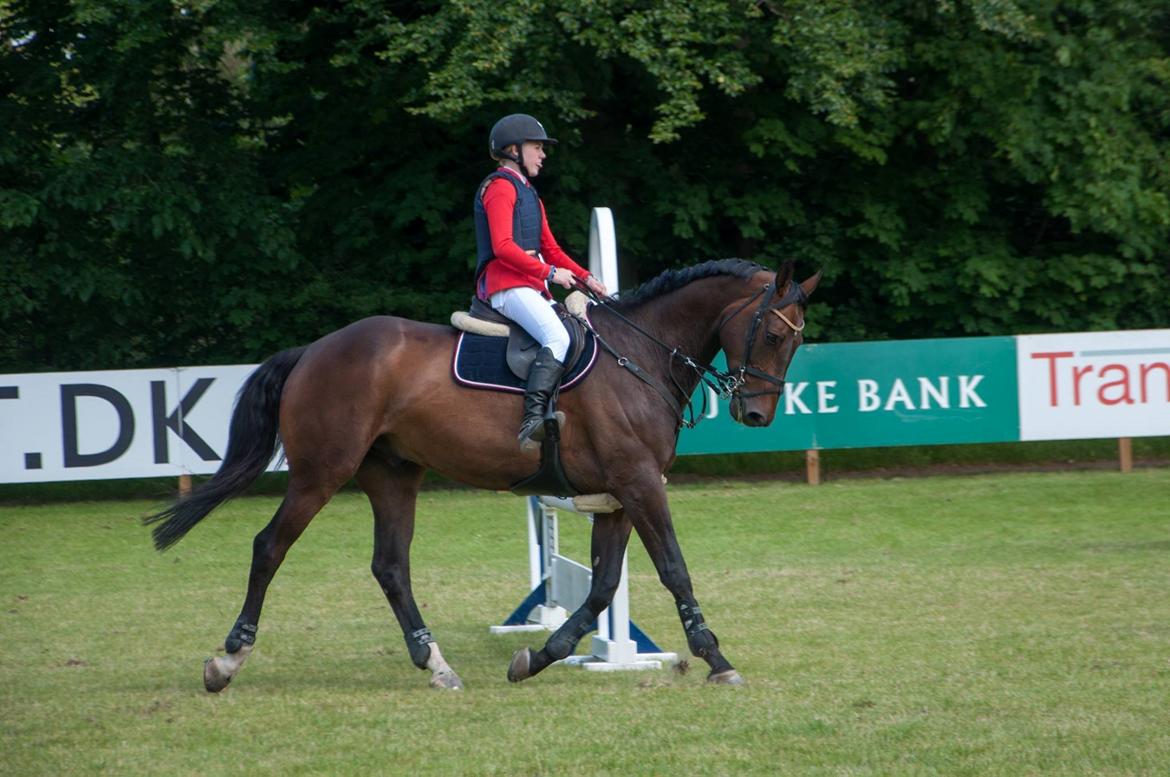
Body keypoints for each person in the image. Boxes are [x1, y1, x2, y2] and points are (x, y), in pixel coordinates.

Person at [472, 113, 608, 448]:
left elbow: (550, 248)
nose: (542, 154)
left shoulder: (529, 192)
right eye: (537, 147)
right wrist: (548, 273)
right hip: (505, 286)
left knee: (579, 332)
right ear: (513, 150)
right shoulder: (501, 188)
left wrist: (586, 278)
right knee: (557, 338)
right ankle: (531, 420)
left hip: (529, 285)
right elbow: (503, 247)